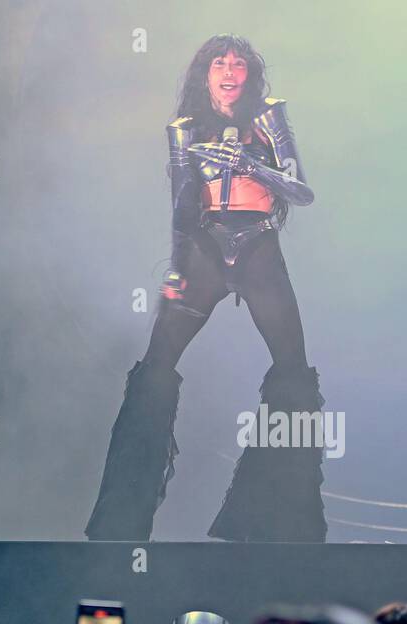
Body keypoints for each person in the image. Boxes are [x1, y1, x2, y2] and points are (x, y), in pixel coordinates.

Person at [86, 33, 325, 543]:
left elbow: (301, 191)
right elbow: (180, 203)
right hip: (204, 249)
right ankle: (120, 521)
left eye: (239, 64)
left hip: (260, 247)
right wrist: (175, 269)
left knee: (293, 372)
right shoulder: (186, 130)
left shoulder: (270, 118)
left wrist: (248, 165)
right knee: (154, 369)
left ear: (250, 75)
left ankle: (279, 520)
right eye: (220, 63)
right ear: (206, 73)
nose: (230, 71)